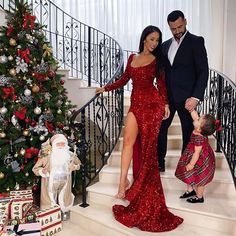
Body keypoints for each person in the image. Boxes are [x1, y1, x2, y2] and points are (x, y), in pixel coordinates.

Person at [96, 25, 183, 232]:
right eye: (151, 39)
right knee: (127, 142)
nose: (154, 43)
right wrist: (105, 88)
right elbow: (125, 79)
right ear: (144, 39)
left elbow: (161, 85)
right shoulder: (132, 58)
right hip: (136, 105)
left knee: (148, 150)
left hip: (152, 107)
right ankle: (121, 184)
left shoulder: (158, 60)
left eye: (157, 40)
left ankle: (143, 184)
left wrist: (166, 104)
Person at [157, 10, 209, 172]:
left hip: (188, 98)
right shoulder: (165, 46)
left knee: (189, 132)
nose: (178, 31)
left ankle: (185, 165)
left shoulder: (196, 42)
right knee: (160, 127)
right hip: (168, 98)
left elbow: (203, 71)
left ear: (185, 21)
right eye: (173, 29)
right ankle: (159, 162)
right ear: (169, 27)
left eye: (180, 26)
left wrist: (196, 97)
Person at [175, 110, 219, 203]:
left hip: (200, 160)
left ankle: (199, 197)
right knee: (189, 173)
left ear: (199, 128)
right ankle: (190, 191)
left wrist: (191, 164)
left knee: (200, 179)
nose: (197, 118)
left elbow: (196, 154)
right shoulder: (199, 129)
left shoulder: (199, 137)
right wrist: (192, 110)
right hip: (192, 154)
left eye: (199, 119)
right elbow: (194, 117)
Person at [32, 134, 81, 213]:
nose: (61, 146)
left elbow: (79, 164)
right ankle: (50, 212)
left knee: (64, 197)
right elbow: (35, 169)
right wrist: (42, 171)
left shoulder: (70, 155)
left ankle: (64, 210)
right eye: (58, 144)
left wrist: (74, 167)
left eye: (63, 144)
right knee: (50, 199)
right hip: (50, 182)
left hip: (65, 182)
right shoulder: (46, 156)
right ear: (54, 145)